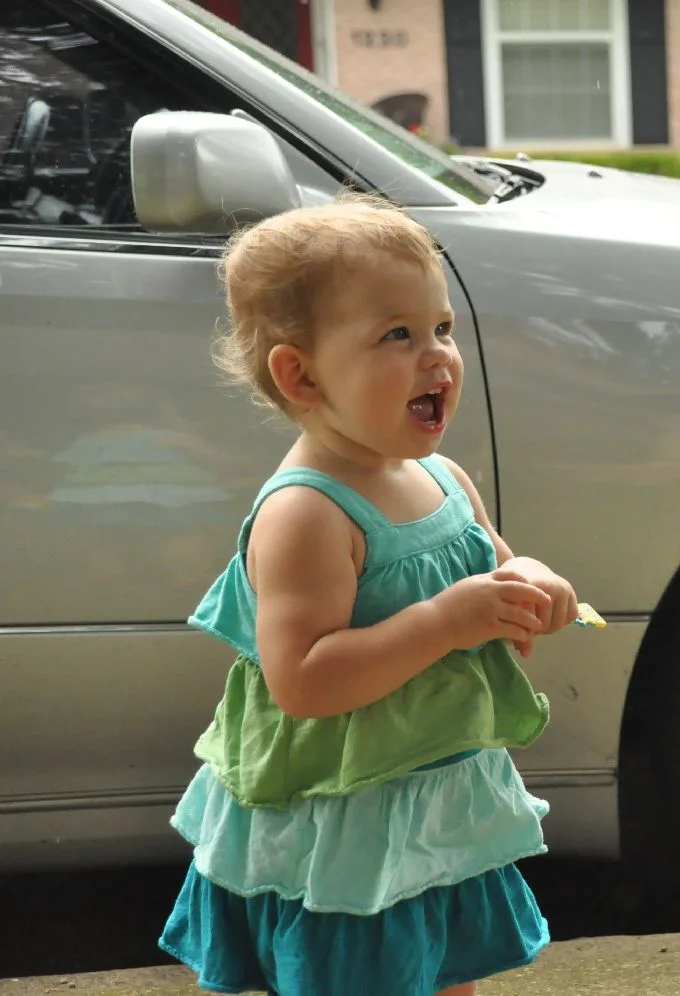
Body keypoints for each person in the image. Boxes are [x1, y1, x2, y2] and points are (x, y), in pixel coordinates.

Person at [158, 191, 580, 996]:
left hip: (428, 797)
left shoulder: (439, 477)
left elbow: (490, 568)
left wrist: (529, 581)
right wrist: (444, 622)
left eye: (441, 328)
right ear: (302, 375)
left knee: (445, 967)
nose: (438, 356)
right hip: (342, 822)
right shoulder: (307, 514)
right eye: (397, 335)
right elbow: (304, 680)